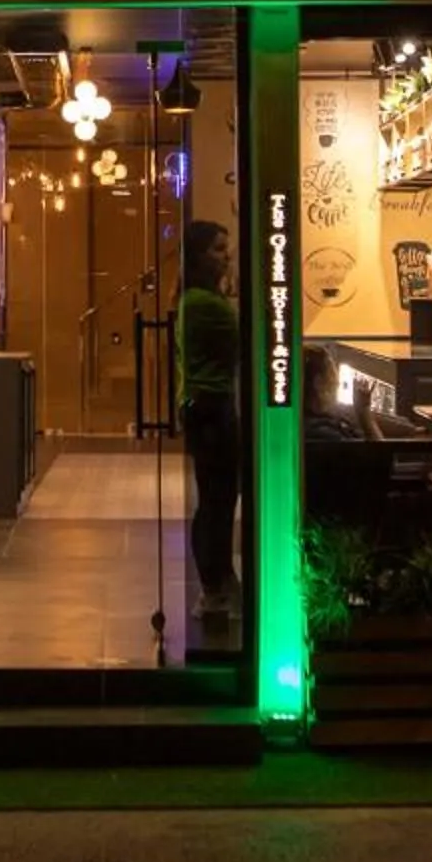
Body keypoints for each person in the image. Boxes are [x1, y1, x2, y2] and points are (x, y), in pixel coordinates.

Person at [176, 219, 245, 619]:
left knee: (214, 501)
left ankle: (216, 584)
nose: (227, 256)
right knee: (218, 502)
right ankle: (215, 587)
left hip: (203, 407)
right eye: (219, 249)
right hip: (213, 409)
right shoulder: (203, 304)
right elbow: (247, 336)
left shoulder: (193, 300)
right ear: (200, 256)